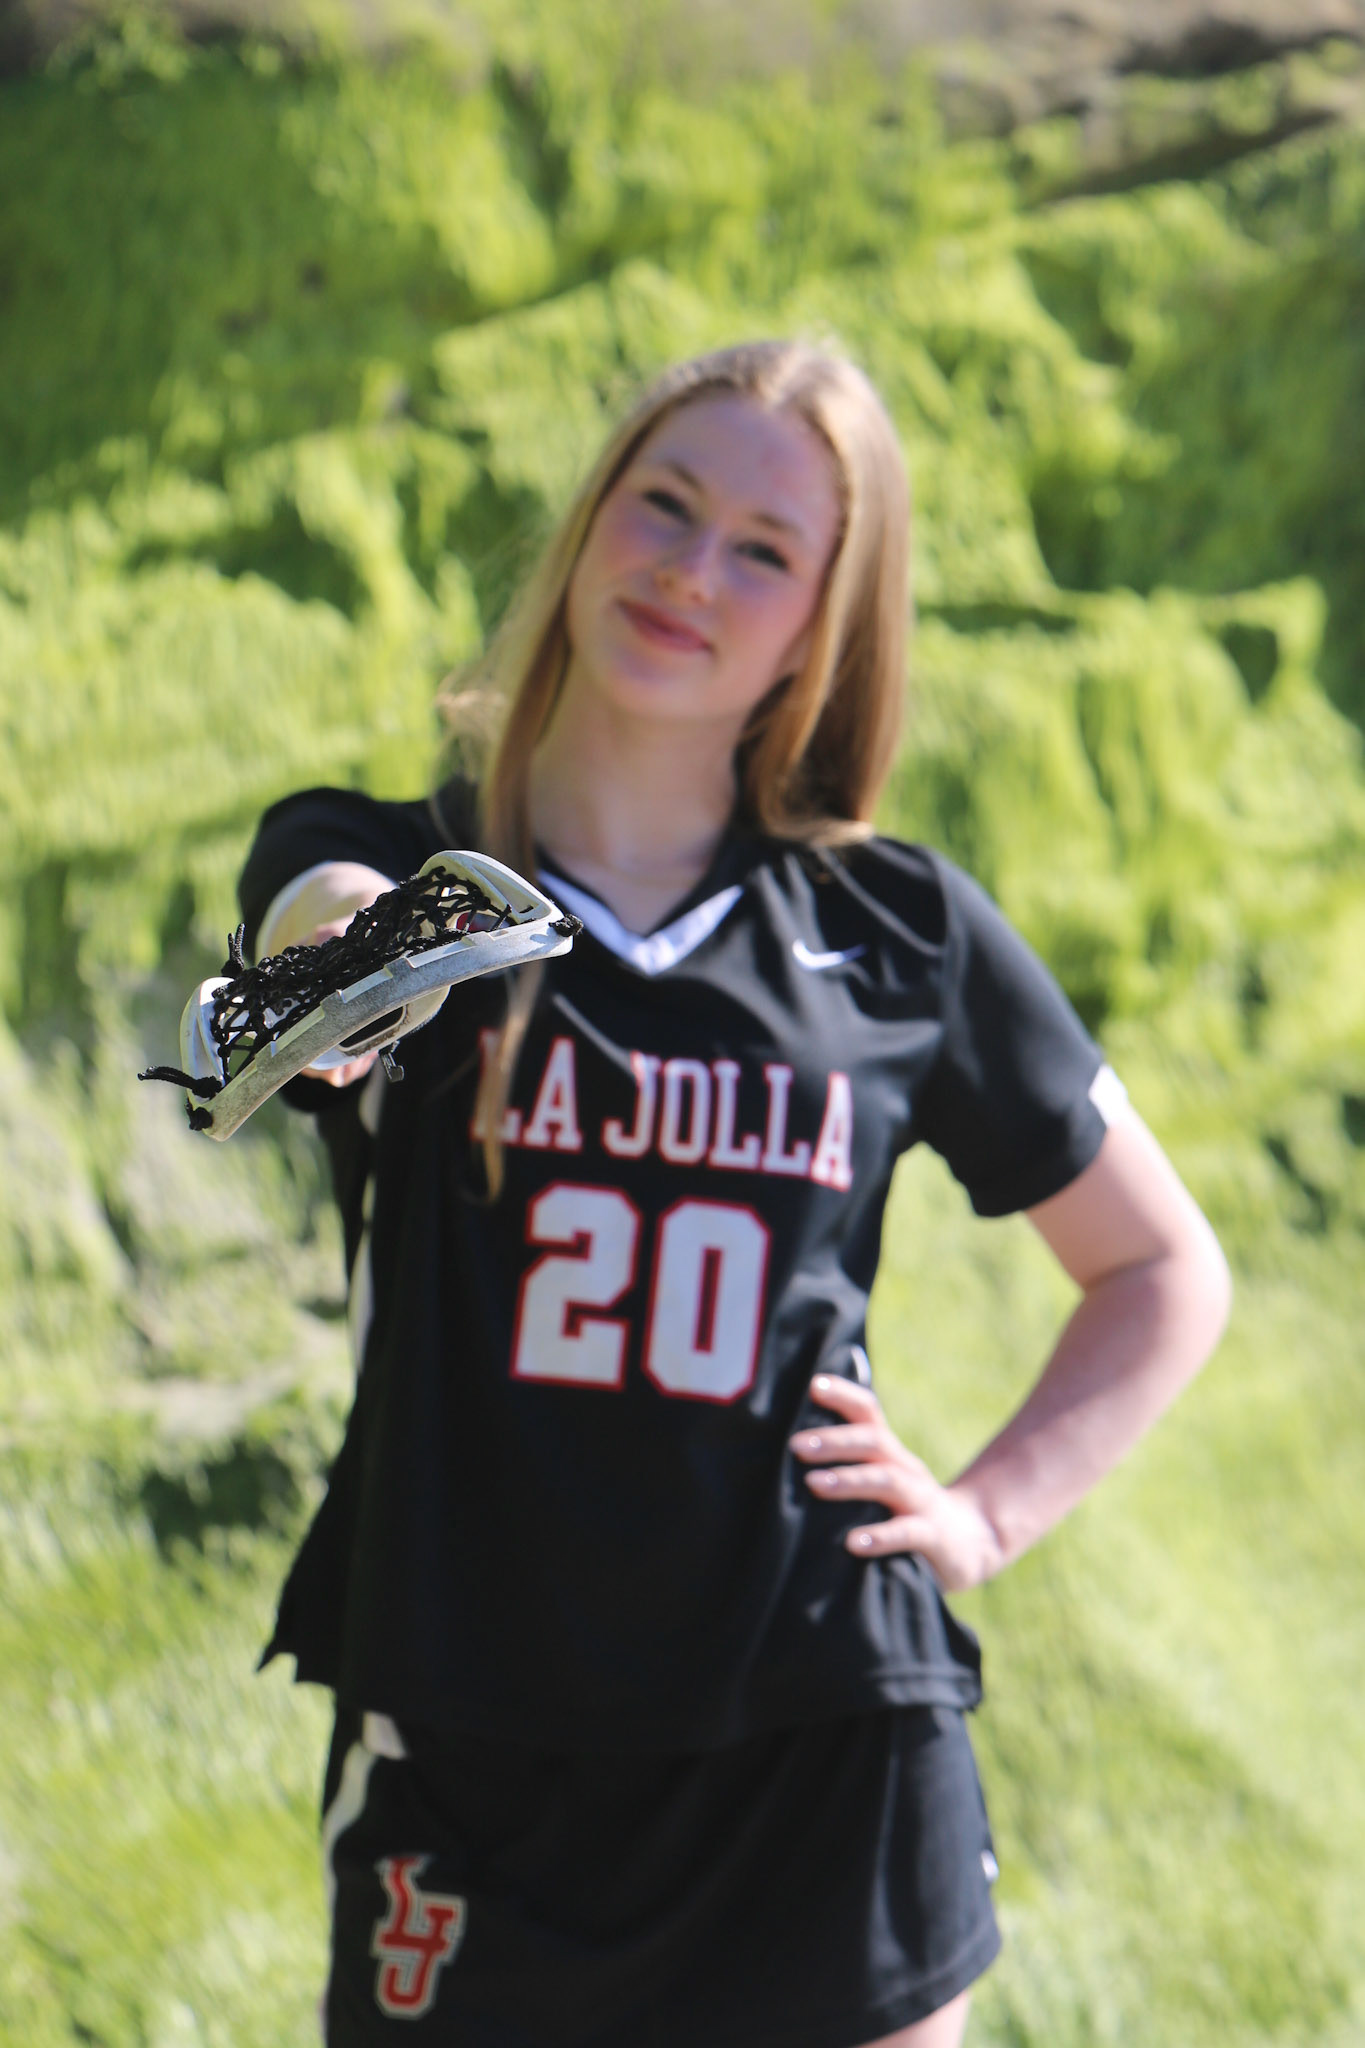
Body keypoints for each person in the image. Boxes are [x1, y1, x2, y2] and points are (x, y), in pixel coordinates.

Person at [237, 341, 1231, 2048]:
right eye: (664, 505)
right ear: (587, 525)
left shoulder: (896, 932)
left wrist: (981, 1520)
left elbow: (1159, 1269)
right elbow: (300, 971)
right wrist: (333, 960)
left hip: (822, 1733)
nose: (692, 571)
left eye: (763, 551)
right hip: (471, 1743)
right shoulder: (406, 871)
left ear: (820, 632)